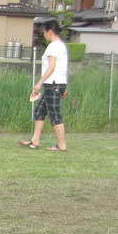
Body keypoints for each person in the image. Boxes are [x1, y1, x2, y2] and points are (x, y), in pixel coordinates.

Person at [20, 20, 69, 151]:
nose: (43, 34)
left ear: (50, 31)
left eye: (44, 31)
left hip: (53, 85)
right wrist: (64, 86)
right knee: (39, 111)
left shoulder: (53, 46)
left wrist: (38, 83)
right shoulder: (61, 45)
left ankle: (61, 145)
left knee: (55, 115)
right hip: (56, 85)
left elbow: (52, 67)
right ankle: (35, 140)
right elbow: (62, 67)